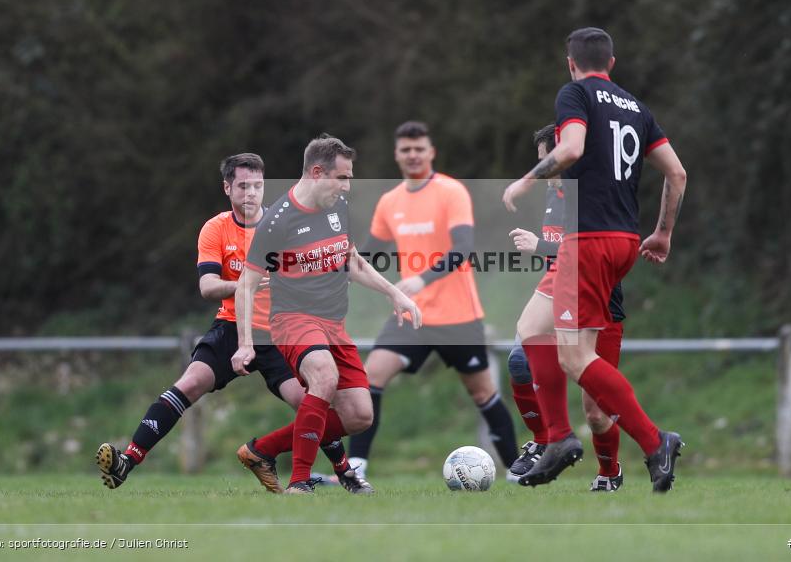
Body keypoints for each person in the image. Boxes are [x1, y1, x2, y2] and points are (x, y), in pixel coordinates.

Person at [95, 154, 356, 492]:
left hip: (280, 330)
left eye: (258, 186)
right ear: (227, 187)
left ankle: (345, 472)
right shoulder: (215, 229)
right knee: (190, 383)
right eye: (243, 186)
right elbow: (207, 287)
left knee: (310, 400)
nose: (251, 193)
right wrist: (245, 283)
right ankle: (127, 461)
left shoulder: (283, 223)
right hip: (232, 326)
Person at [503, 27, 688, 492]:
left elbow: (571, 149)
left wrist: (525, 180)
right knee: (531, 329)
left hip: (588, 240)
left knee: (575, 357)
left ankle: (651, 440)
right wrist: (663, 233)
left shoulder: (575, 94)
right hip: (623, 240)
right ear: (612, 61)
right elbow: (678, 173)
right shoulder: (637, 108)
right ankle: (559, 439)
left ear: (571, 63)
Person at [232, 134, 421, 494]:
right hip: (294, 320)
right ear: (317, 173)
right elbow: (246, 285)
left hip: (334, 324)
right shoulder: (277, 221)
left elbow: (351, 262)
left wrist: (395, 293)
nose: (347, 187)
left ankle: (263, 450)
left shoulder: (337, 208)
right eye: (343, 177)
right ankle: (299, 482)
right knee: (324, 375)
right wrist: (245, 344)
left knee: (359, 415)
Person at [347, 121, 519, 480]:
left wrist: (422, 277)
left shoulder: (451, 192)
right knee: (370, 376)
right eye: (406, 150)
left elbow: (464, 248)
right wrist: (334, 258)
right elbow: (368, 254)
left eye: (419, 149)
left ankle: (518, 471)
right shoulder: (389, 201)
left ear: (431, 152)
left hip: (458, 315)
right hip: (412, 315)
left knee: (484, 393)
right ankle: (356, 469)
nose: (412, 155)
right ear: (397, 155)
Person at [506, 124, 626, 491]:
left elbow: (588, 256)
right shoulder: (553, 194)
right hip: (562, 303)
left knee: (597, 412)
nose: (546, 175)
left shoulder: (590, 196)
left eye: (551, 165)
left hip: (600, 306)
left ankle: (609, 473)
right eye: (541, 166)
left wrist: (539, 246)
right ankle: (546, 439)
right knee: (519, 359)